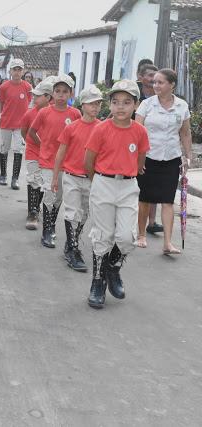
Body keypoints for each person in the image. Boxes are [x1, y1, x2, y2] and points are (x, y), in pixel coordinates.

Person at [84, 80, 149, 309]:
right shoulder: (101, 129)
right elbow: (88, 161)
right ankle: (98, 282)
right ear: (109, 105)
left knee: (126, 237)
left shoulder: (140, 131)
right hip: (103, 182)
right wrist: (99, 182)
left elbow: (140, 161)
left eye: (127, 102)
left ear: (135, 105)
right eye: (115, 102)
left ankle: (113, 267)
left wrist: (127, 175)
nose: (120, 107)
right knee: (103, 236)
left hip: (128, 186)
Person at [135, 68, 192, 255]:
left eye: (160, 82)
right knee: (144, 198)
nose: (156, 85)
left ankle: (167, 243)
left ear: (172, 84)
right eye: (155, 82)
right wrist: (136, 157)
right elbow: (137, 131)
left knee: (168, 201)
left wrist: (188, 155)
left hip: (171, 158)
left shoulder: (182, 106)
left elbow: (185, 132)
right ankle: (141, 235)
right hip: (148, 157)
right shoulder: (146, 104)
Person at [52, 86, 103, 272]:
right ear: (82, 105)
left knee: (84, 213)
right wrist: (55, 177)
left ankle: (71, 241)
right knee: (72, 212)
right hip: (71, 176)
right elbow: (60, 153)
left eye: (98, 104)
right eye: (91, 104)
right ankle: (73, 250)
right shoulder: (71, 127)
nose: (95, 107)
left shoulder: (102, 127)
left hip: (92, 178)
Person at [29, 74, 81, 248]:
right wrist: (42, 145)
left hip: (66, 164)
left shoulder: (75, 114)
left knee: (58, 197)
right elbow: (32, 132)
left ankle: (51, 226)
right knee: (50, 193)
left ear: (70, 94)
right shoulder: (44, 112)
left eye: (65, 92)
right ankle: (47, 230)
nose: (61, 95)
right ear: (52, 93)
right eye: (57, 91)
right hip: (47, 162)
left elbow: (78, 137)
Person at [21, 77, 53, 230]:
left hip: (49, 155)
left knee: (43, 183)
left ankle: (37, 207)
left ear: (48, 97)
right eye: (33, 95)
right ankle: (32, 213)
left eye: (37, 96)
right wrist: (36, 145)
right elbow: (24, 132)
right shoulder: (29, 114)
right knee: (34, 179)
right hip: (33, 151)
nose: (34, 98)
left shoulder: (53, 113)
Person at [136, 63, 163, 234]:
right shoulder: (134, 94)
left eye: (155, 74)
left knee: (154, 186)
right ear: (140, 77)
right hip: (133, 146)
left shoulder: (160, 97)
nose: (153, 78)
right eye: (149, 74)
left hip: (153, 147)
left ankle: (152, 222)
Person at [0, 59, 32, 189]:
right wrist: (4, 116)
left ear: (22, 71)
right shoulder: (4, 87)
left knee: (18, 150)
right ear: (10, 71)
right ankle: (3, 175)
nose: (17, 72)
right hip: (6, 123)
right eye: (14, 69)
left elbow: (28, 103)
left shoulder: (28, 87)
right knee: (4, 148)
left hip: (21, 125)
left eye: (19, 70)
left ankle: (15, 179)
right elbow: (1, 104)